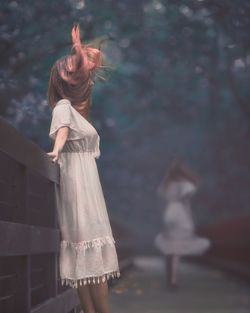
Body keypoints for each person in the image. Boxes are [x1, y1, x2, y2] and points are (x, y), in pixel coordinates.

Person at [46, 23, 120, 313]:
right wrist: (56, 150)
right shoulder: (63, 107)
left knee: (87, 253)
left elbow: (85, 67)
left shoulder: (72, 108)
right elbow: (62, 131)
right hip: (78, 184)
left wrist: (82, 50)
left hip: (85, 182)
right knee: (86, 247)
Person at [154, 159, 210, 288]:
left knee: (170, 247)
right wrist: (190, 220)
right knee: (176, 247)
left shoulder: (167, 184)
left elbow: (162, 200)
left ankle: (170, 276)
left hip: (169, 212)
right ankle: (173, 279)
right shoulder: (184, 184)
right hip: (179, 213)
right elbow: (186, 203)